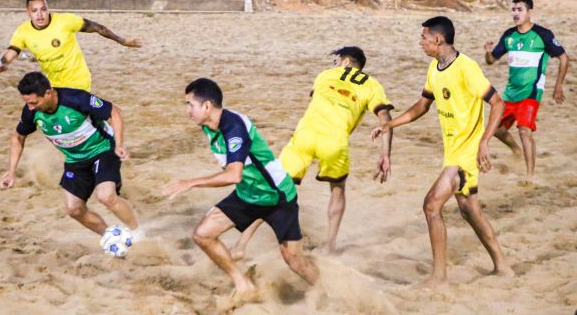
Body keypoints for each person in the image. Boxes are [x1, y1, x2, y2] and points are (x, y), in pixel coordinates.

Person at [371, 16, 514, 288]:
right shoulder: (434, 69)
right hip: (452, 152)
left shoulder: (467, 68)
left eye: (424, 37)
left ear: (438, 39)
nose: (420, 42)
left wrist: (484, 142)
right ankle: (503, 266)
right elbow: (421, 106)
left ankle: (439, 277)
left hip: (466, 154)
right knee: (470, 211)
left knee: (431, 205)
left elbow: (498, 103)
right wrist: (389, 124)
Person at [230, 46, 394, 258]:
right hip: (335, 142)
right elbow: (385, 119)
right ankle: (330, 245)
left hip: (305, 136)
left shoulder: (325, 75)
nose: (333, 65)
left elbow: (318, 100)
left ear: (345, 62)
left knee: (274, 189)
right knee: (337, 189)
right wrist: (385, 154)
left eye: (336, 61)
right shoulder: (373, 85)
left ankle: (241, 244)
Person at [163, 78, 319, 300]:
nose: (188, 111)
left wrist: (191, 182)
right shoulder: (209, 125)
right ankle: (243, 283)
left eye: (190, 105)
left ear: (207, 106)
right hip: (248, 194)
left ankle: (326, 292)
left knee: (294, 260)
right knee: (203, 235)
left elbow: (233, 174)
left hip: (276, 196)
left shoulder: (233, 128)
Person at [0, 72, 142, 239]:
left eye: (34, 102)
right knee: (74, 209)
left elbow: (114, 112)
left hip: (102, 149)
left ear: (48, 93)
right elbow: (18, 137)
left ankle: (138, 233)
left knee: (106, 196)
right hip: (75, 160)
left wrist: (119, 144)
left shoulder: (76, 99)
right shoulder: (31, 112)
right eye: (27, 103)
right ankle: (112, 237)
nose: (30, 107)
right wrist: (11, 171)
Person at [484, 0, 569, 182]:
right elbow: (491, 61)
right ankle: (515, 149)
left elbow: (564, 58)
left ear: (529, 12)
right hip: (510, 92)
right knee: (496, 129)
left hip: (531, 92)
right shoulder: (509, 35)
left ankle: (530, 176)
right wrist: (488, 52)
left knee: (524, 130)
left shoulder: (543, 34)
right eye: (513, 10)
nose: (516, 14)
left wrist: (558, 85)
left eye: (520, 10)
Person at [0, 0, 142, 92]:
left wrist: (122, 41)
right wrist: (3, 62)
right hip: (54, 84)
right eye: (35, 11)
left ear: (48, 10)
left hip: (79, 81)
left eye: (43, 10)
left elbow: (98, 28)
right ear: (28, 13)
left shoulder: (66, 21)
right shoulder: (23, 31)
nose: (40, 14)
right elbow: (11, 52)